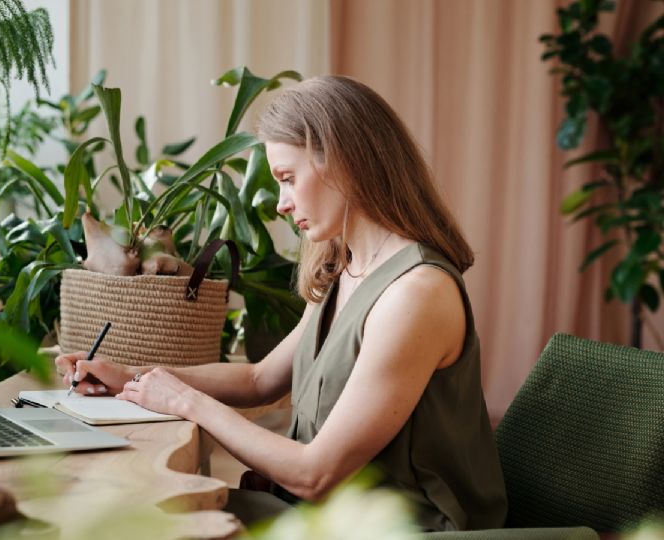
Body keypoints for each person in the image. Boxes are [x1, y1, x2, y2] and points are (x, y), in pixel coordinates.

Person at [55, 76, 507, 531]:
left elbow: (316, 474)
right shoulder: (347, 267)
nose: (282, 205)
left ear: (344, 161)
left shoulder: (416, 294)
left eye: (288, 179)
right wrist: (132, 377)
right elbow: (258, 379)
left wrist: (187, 402)